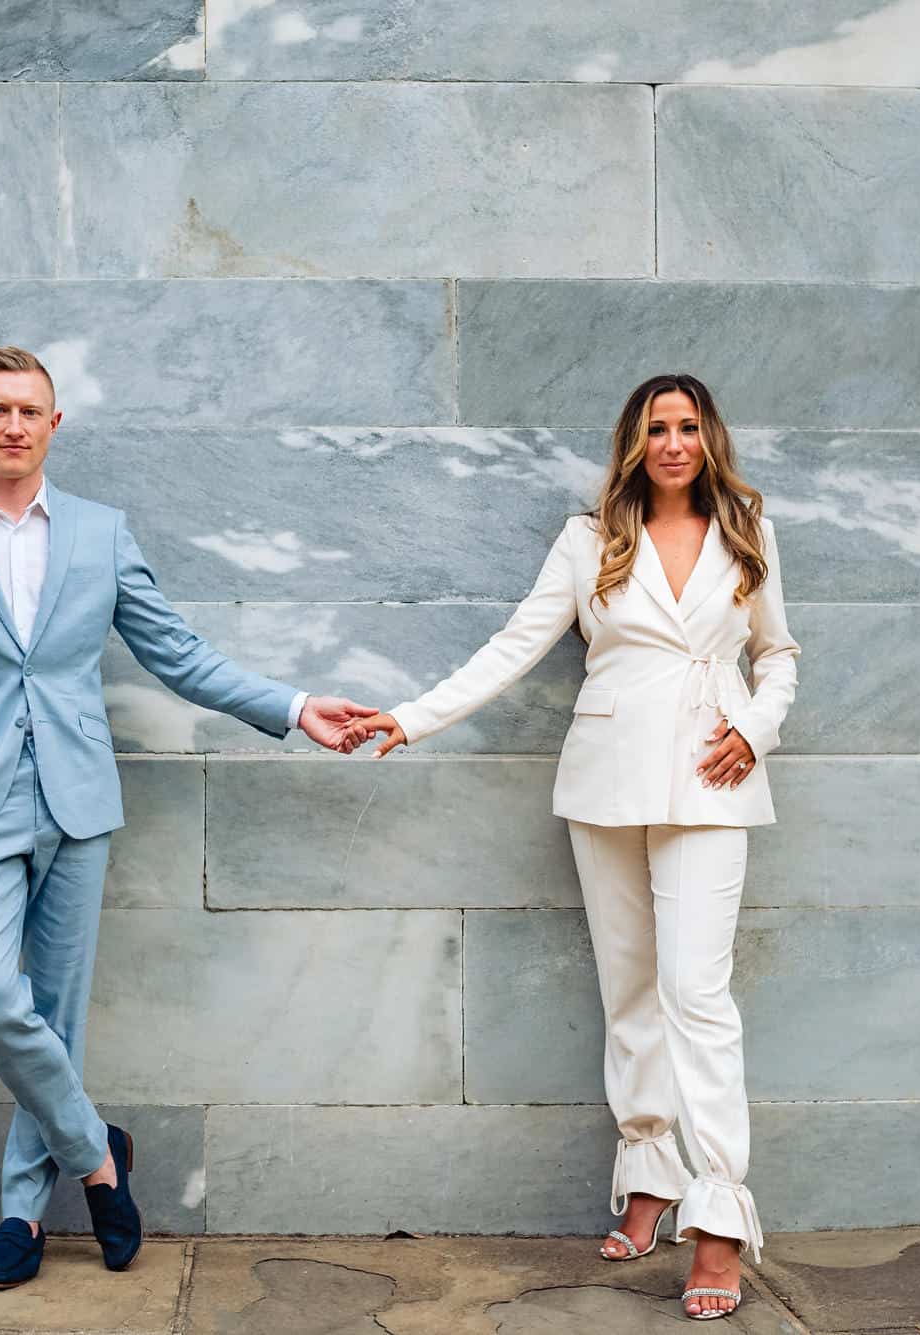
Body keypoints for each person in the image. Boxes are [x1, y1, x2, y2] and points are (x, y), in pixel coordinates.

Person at [0, 345, 375, 1289]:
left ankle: (21, 1209)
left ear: (55, 425)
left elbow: (176, 652)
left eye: (31, 410)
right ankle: (99, 1155)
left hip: (77, 800)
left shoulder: (99, 533)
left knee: (55, 1018)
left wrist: (293, 704)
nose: (14, 424)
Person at [349, 373, 798, 1321]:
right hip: (606, 776)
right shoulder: (591, 535)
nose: (672, 442)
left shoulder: (748, 525)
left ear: (708, 437)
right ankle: (649, 1171)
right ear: (633, 444)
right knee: (630, 983)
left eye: (686, 427)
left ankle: (717, 1218)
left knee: (696, 994)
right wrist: (411, 718)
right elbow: (516, 643)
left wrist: (756, 727)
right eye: (654, 429)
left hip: (713, 782)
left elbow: (779, 653)